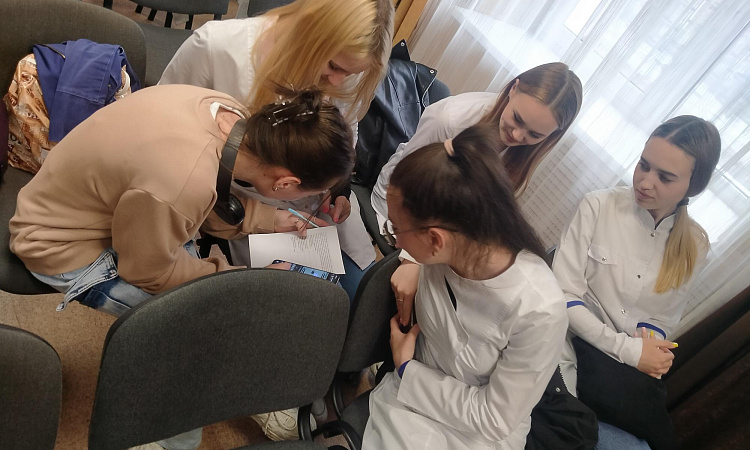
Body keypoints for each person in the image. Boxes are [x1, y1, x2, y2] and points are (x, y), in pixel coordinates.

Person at [10, 85, 352, 317]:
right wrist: (248, 280)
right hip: (58, 243)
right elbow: (149, 270)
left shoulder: (226, 112)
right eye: (308, 195)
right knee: (204, 321)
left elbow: (200, 195)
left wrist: (270, 219)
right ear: (286, 182)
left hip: (116, 211)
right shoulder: (182, 182)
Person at [159, 0, 394, 299]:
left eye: (350, 73)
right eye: (334, 66)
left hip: (315, 199)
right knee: (301, 301)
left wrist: (339, 186)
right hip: (240, 197)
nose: (338, 81)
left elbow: (349, 129)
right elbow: (164, 136)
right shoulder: (217, 49)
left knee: (362, 294)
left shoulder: (350, 66)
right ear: (311, 30)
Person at [362, 124, 568, 449]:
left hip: (475, 435)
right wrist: (411, 262)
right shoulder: (453, 240)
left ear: (435, 240)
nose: (395, 240)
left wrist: (407, 370)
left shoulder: (539, 310)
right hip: (411, 396)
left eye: (395, 229)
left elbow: (493, 419)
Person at [553, 116, 722, 448]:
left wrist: (654, 349)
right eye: (644, 165)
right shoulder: (598, 205)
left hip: (617, 376)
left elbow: (662, 319)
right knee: (574, 434)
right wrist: (629, 350)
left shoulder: (696, 245)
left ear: (694, 185)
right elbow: (562, 296)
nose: (645, 182)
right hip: (566, 348)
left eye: (665, 177)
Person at [379, 62, 583, 328]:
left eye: (534, 134)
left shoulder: (524, 152)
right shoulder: (450, 119)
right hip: (400, 208)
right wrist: (411, 260)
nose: (517, 135)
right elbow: (403, 184)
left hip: (444, 228)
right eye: (517, 119)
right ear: (513, 88)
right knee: (418, 304)